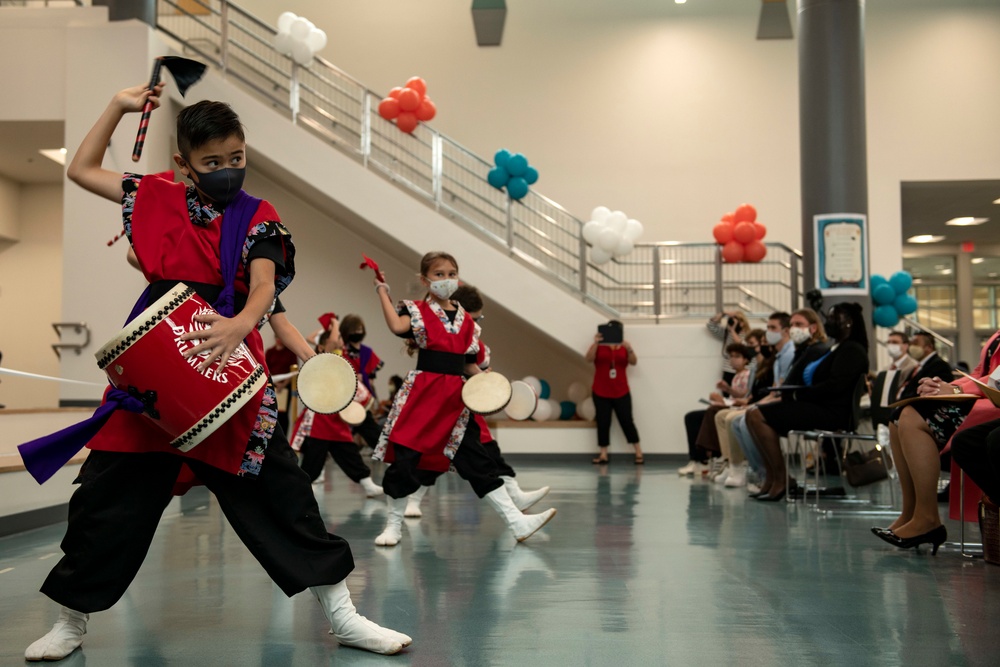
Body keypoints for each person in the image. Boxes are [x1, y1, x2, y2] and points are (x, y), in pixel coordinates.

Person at [24, 85, 408, 661]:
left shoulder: (259, 216)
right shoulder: (150, 197)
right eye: (212, 162)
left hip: (226, 368)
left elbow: (262, 287)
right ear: (183, 163)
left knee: (282, 493)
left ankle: (345, 616)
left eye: (237, 158)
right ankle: (70, 621)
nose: (228, 170)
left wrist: (239, 326)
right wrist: (117, 105)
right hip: (155, 364)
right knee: (107, 499)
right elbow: (81, 170)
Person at [371, 251, 556, 546]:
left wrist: (491, 384)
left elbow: (470, 364)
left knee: (478, 461)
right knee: (405, 463)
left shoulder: (468, 323)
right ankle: (393, 526)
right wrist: (383, 291)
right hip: (423, 397)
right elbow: (396, 326)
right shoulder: (417, 311)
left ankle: (516, 522)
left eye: (451, 273)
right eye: (439, 274)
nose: (446, 279)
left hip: (456, 402)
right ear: (425, 279)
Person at [401, 284, 551, 519]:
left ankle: (514, 502)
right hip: (448, 403)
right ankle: (514, 510)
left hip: (465, 405)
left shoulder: (469, 335)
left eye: (480, 318)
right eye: (475, 317)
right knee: (458, 456)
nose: (477, 323)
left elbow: (474, 366)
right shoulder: (450, 335)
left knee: (473, 453)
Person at [873, 330, 1000, 553]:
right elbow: (981, 371)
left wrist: (956, 389)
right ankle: (910, 512)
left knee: (913, 416)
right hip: (981, 394)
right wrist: (942, 386)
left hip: (992, 404)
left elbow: (995, 379)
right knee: (897, 418)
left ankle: (927, 517)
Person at [745, 303, 868, 501]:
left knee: (758, 416)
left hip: (833, 413)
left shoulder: (852, 349)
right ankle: (773, 477)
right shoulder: (838, 347)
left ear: (848, 323)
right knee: (752, 414)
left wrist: (798, 395)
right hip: (821, 406)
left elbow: (834, 386)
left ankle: (782, 479)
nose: (828, 322)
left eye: (834, 318)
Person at [288, 331, 384, 497]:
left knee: (349, 452)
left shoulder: (340, 361)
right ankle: (300, 488)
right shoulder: (316, 363)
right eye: (337, 338)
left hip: (337, 416)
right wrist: (334, 322)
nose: (340, 341)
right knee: (313, 458)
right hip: (319, 417)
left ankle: (367, 483)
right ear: (321, 346)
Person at [586, 320, 643, 465]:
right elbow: (588, 359)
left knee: (627, 421)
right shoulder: (598, 346)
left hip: (621, 390)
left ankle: (638, 451)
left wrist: (629, 348)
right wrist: (596, 343)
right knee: (603, 422)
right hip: (600, 390)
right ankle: (603, 454)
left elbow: (634, 362)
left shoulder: (624, 347)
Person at [895, 331, 953, 401]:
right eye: (911, 344)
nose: (911, 347)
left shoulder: (939, 366)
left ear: (929, 347)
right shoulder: (920, 366)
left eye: (915, 343)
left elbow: (934, 393)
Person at [706, 310, 749, 386]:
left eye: (736, 320)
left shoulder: (748, 335)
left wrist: (732, 331)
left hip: (744, 372)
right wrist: (723, 314)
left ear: (742, 323)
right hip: (729, 369)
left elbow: (741, 346)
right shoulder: (727, 333)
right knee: (727, 394)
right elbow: (711, 325)